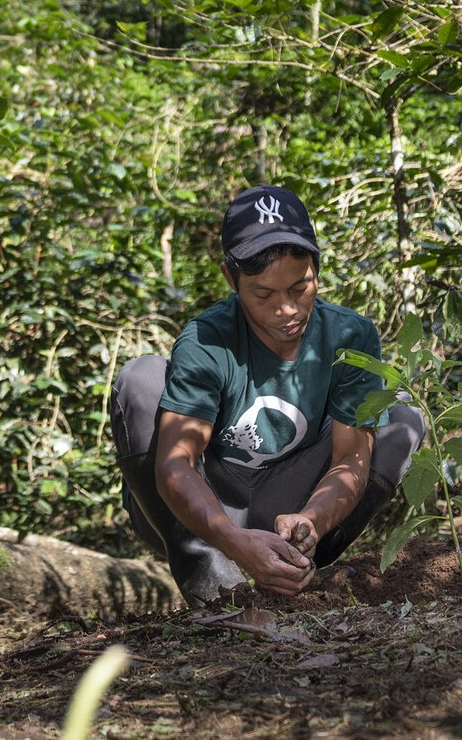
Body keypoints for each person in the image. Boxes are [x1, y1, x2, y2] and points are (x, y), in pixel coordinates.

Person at [109, 185, 426, 605]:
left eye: (300, 288)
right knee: (141, 378)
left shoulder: (349, 336)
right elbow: (175, 464)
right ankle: (214, 584)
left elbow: (351, 459)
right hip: (201, 505)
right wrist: (232, 540)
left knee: (402, 415)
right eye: (264, 294)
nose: (287, 310)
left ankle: (299, 567)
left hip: (289, 500)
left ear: (316, 269)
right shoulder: (207, 341)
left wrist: (311, 520)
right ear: (230, 278)